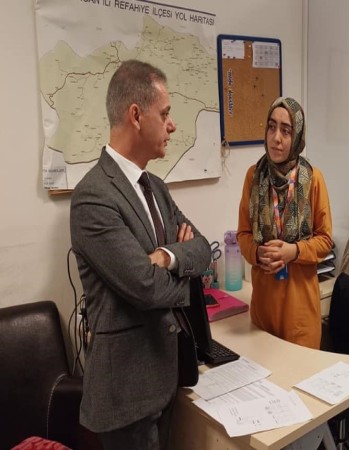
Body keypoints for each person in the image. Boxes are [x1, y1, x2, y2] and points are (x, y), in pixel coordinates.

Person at [70, 60, 212, 449]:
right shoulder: (93, 197)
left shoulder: (156, 187)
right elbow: (145, 287)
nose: (172, 125)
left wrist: (166, 256)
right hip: (126, 396)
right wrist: (186, 275)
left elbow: (202, 249)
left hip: (166, 378)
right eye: (164, 114)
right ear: (136, 115)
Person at [237, 97, 333, 349]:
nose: (276, 138)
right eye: (272, 127)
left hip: (299, 315)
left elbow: (325, 241)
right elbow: (243, 234)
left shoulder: (313, 179)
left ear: (297, 137)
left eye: (286, 131)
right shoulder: (254, 176)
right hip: (263, 311)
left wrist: (294, 251)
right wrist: (257, 253)